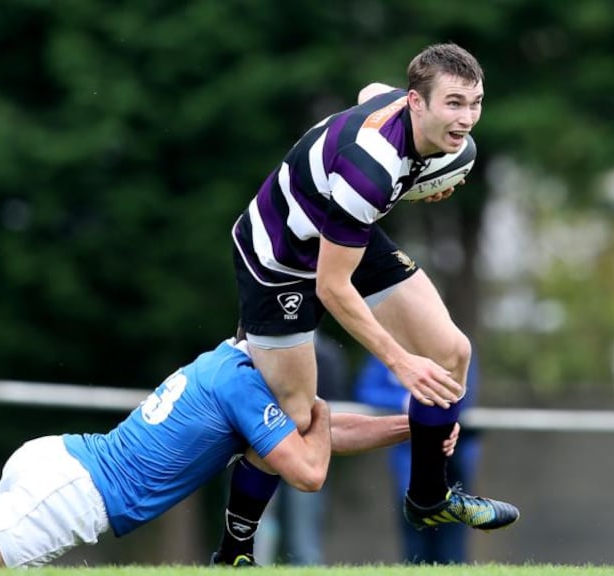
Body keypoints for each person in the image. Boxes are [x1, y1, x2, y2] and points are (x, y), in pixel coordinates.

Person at [0, 338, 458, 570]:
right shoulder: (249, 388)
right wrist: (324, 410)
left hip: (58, 462)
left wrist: (408, 428)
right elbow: (310, 465)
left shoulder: (235, 365)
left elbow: (306, 434)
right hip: (74, 494)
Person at [210, 42, 517, 566]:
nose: (467, 119)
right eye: (454, 104)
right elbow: (332, 288)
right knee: (295, 418)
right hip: (279, 260)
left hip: (343, 233)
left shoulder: (401, 106)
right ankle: (235, 549)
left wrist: (423, 179)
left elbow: (369, 92)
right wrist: (400, 364)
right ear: (417, 104)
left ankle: (429, 498)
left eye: (475, 103)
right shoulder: (369, 169)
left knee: (451, 353)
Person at [356, 353, 482, 564]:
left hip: (452, 460)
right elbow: (366, 390)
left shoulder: (453, 345)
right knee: (416, 543)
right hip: (408, 461)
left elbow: (463, 394)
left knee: (451, 545)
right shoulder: (388, 350)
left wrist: (427, 405)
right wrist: (404, 401)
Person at [256, 332, 350, 566]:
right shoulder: (263, 348)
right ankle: (251, 564)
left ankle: (307, 566)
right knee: (257, 521)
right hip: (265, 449)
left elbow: (332, 404)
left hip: (304, 451)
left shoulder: (327, 355)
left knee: (304, 527)